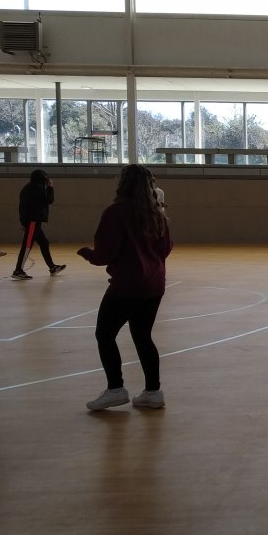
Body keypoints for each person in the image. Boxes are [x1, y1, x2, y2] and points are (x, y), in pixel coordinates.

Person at [78, 165, 173, 411]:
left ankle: (115, 389)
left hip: (127, 286)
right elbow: (166, 249)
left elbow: (104, 254)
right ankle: (153, 392)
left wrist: (88, 253)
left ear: (123, 183)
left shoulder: (116, 213)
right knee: (143, 336)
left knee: (105, 334)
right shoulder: (157, 215)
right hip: (154, 285)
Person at [12, 169, 66, 280]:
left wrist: (23, 222)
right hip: (33, 221)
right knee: (27, 246)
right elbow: (48, 200)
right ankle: (18, 271)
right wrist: (50, 187)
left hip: (31, 221)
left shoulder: (29, 187)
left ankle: (52, 267)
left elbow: (23, 206)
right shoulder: (36, 188)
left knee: (44, 243)